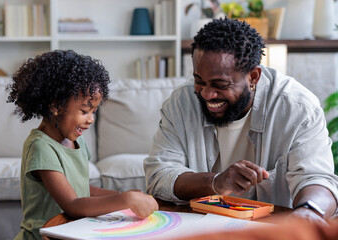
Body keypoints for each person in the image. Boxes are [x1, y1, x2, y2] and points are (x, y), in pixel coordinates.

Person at [144, 17, 338, 223]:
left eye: (220, 84)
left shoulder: (298, 108)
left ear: (253, 77)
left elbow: (317, 179)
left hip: (272, 228)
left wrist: (308, 215)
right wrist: (216, 182)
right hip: (199, 225)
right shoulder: (180, 103)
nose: (207, 94)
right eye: (199, 82)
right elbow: (159, 176)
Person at [7, 50, 158, 240]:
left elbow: (82, 190)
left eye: (94, 111)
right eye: (85, 111)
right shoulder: (40, 147)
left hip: (70, 233)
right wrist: (125, 200)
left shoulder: (76, 140)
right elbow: (72, 203)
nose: (91, 119)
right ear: (56, 106)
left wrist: (122, 195)